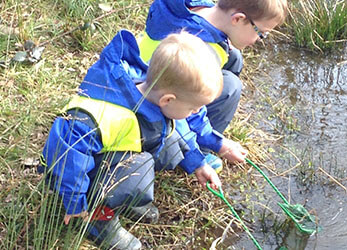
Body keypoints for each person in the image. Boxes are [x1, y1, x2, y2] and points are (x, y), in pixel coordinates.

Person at [39, 30, 245, 250]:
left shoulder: (155, 92)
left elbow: (180, 129)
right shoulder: (96, 118)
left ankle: (125, 199)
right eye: (193, 108)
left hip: (114, 157)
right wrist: (74, 202)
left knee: (171, 139)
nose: (196, 112)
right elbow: (67, 158)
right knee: (139, 170)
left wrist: (198, 163)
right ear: (168, 99)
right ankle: (97, 219)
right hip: (75, 175)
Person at [138, 0, 288, 170]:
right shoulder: (206, 49)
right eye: (260, 33)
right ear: (237, 19)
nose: (259, 40)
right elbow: (188, 103)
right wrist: (218, 143)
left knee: (234, 57)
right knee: (231, 87)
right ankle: (196, 147)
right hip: (159, 101)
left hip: (148, 67)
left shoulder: (201, 8)